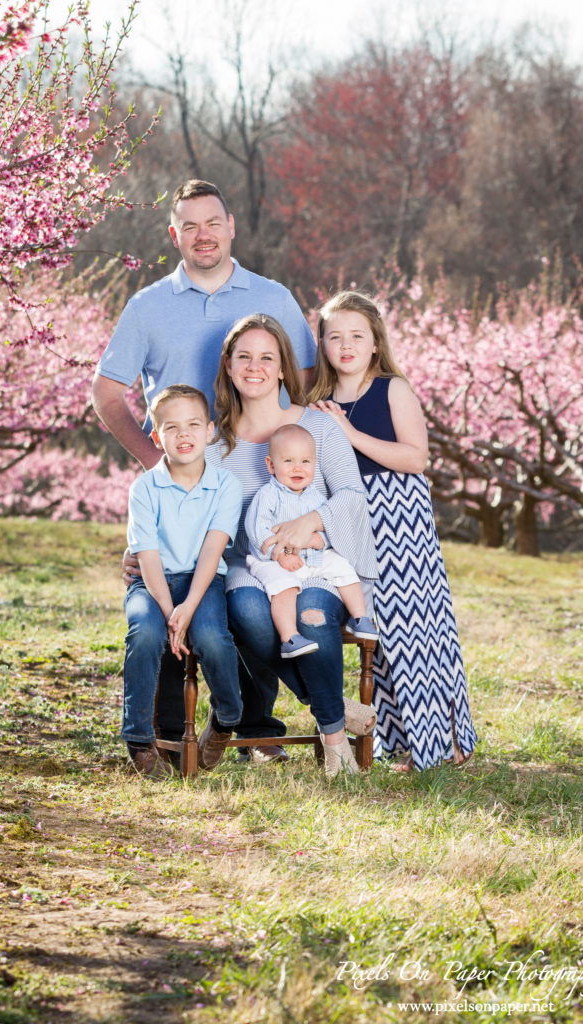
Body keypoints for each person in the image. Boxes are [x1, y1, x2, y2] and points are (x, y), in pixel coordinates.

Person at [92, 179, 317, 762]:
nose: (203, 235)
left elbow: (310, 380)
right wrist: (155, 462)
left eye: (212, 222)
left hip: (260, 477)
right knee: (176, 594)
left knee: (249, 594)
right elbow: (106, 391)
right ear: (174, 235)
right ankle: (169, 734)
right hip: (178, 492)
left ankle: (254, 728)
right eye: (189, 225)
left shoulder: (273, 297)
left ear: (232, 225)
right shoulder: (148, 306)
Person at [204, 312, 379, 776]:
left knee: (312, 615)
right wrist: (135, 547)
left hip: (319, 563)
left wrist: (312, 521)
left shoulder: (318, 427)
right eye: (245, 357)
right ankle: (336, 713)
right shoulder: (212, 445)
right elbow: (180, 501)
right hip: (252, 568)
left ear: (284, 367)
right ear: (228, 365)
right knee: (252, 619)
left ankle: (335, 740)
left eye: (268, 357)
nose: (255, 366)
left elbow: (351, 494)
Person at [309, 291, 477, 772]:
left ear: (375, 343)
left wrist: (352, 435)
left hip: (400, 518)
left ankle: (446, 740)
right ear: (322, 343)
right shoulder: (318, 402)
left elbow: (415, 458)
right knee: (375, 634)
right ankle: (400, 744)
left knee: (418, 629)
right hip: (348, 517)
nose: (346, 345)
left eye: (356, 336)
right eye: (335, 336)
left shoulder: (392, 388)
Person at [123, 385, 244, 778]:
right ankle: (140, 740)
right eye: (171, 428)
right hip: (152, 584)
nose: (184, 435)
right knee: (144, 634)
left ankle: (226, 718)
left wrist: (188, 608)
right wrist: (168, 613)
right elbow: (148, 557)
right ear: (157, 437)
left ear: (210, 431)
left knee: (211, 637)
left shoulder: (226, 485)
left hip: (202, 582)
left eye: (193, 425)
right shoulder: (144, 488)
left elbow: (212, 552)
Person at [245, 423, 378, 658]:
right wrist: (281, 555)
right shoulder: (268, 495)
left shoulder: (315, 496)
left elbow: (329, 527)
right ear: (271, 465)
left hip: (311, 558)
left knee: (343, 567)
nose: (298, 468)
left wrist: (319, 539)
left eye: (306, 461)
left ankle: (360, 618)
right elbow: (258, 532)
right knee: (283, 588)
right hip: (273, 562)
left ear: (315, 465)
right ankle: (289, 638)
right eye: (288, 461)